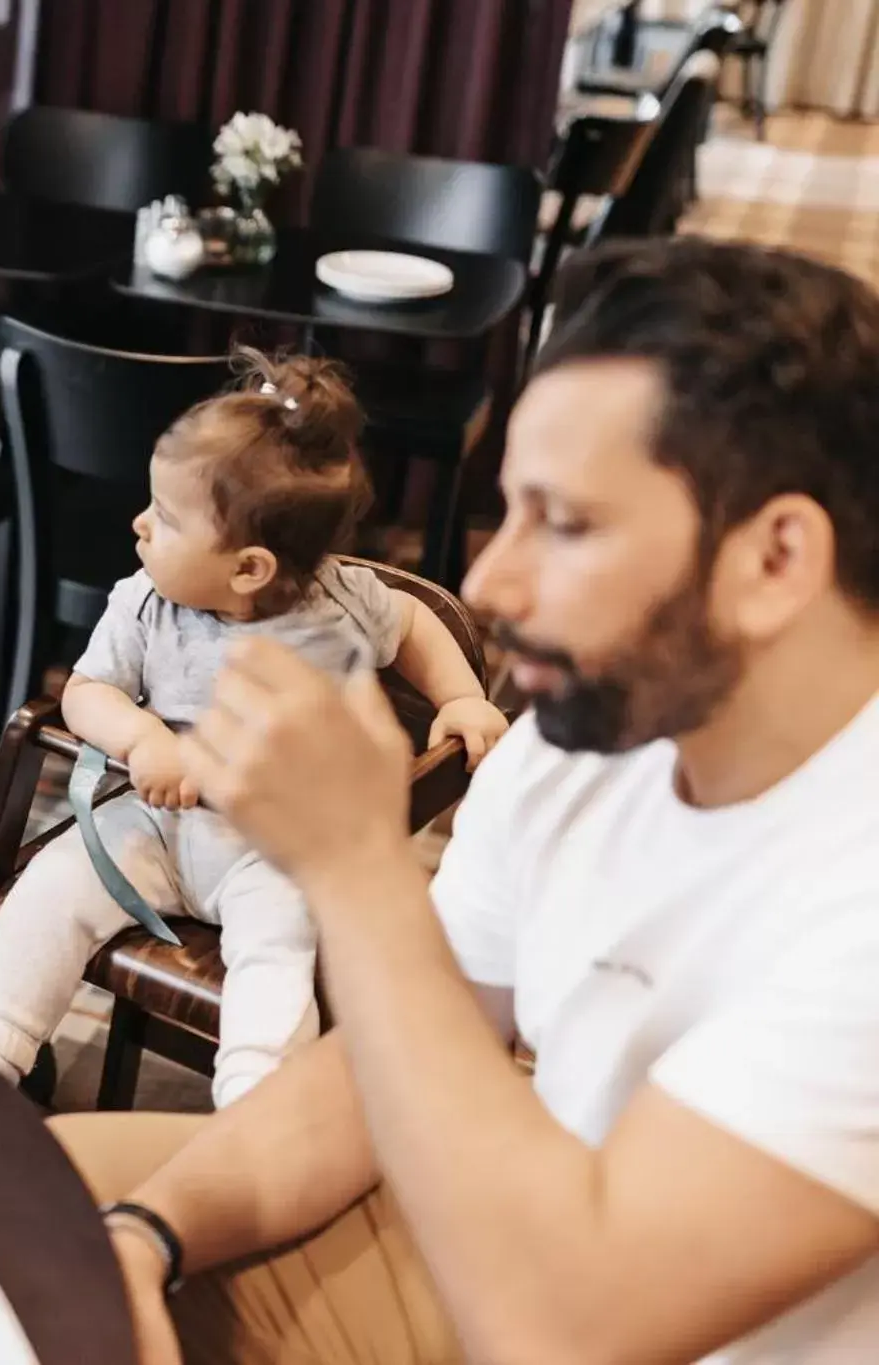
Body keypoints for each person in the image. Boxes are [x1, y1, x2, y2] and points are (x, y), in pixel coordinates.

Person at [62, 240, 879, 1365]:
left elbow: (565, 1327)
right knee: (43, 1206)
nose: (489, 586)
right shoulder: (578, 741)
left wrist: (355, 872)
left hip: (579, 1305)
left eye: (566, 523)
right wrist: (147, 1233)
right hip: (525, 1223)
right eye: (508, 511)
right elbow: (380, 1072)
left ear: (775, 558)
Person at [0, 353, 505, 1107]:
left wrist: (459, 697)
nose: (139, 523)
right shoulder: (145, 601)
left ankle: (252, 1102)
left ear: (250, 568)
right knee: (50, 891)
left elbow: (414, 620)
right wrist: (143, 738)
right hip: (155, 821)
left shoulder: (341, 604)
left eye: (167, 516)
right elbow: (87, 691)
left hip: (274, 850)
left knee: (278, 957)